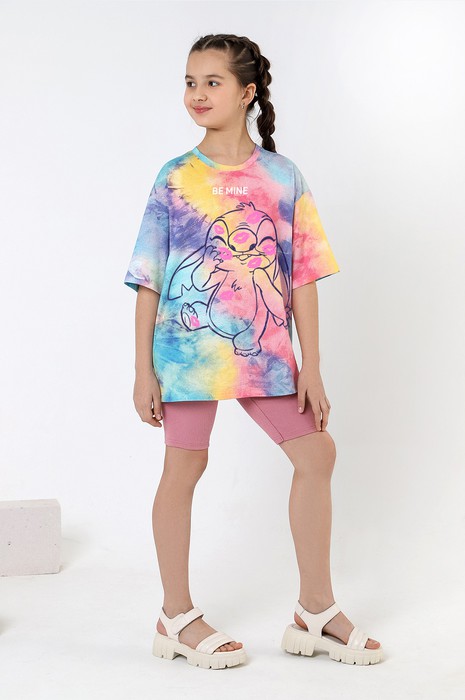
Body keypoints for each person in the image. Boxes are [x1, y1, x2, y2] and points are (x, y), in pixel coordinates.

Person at [123, 33, 383, 670]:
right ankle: (176, 616)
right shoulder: (176, 177)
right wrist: (142, 371)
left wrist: (311, 366)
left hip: (264, 356)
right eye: (190, 82)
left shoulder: (282, 176)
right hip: (185, 357)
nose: (197, 94)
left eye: (212, 82)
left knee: (316, 454)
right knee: (184, 468)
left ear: (246, 93)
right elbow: (149, 278)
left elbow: (303, 275)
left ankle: (315, 610)